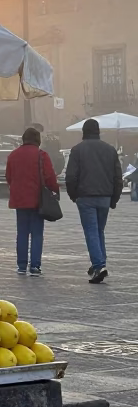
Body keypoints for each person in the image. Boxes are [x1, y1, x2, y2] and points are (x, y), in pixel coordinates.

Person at [65, 117, 122, 284]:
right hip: (105, 197)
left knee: (91, 231)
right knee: (99, 231)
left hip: (85, 197)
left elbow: (70, 177)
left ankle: (99, 265)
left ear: (84, 132)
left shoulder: (77, 150)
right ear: (99, 132)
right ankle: (99, 262)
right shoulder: (110, 150)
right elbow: (118, 177)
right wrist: (114, 198)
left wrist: (73, 195)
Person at [5, 127, 59, 276]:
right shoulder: (41, 155)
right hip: (37, 199)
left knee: (22, 232)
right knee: (37, 233)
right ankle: (35, 265)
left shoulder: (13, 155)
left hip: (19, 200)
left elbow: (9, 176)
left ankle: (21, 265)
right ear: (38, 140)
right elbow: (49, 176)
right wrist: (55, 190)